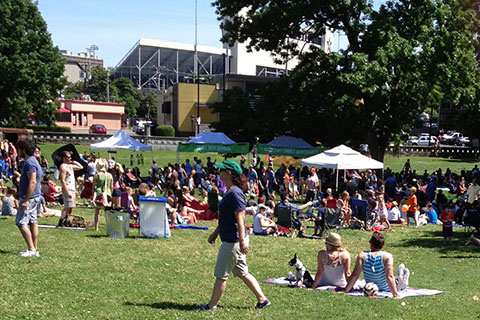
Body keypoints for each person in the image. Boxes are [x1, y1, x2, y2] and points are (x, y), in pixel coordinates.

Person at [196, 160, 270, 311]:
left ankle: (211, 306)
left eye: (221, 170)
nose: (219, 172)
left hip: (233, 242)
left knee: (221, 275)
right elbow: (226, 218)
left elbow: (240, 219)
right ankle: (262, 300)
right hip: (232, 239)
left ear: (228, 173)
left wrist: (242, 240)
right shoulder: (230, 192)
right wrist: (216, 233)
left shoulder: (235, 194)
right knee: (243, 273)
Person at [344, 232, 399, 298]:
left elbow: (355, 275)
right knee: (399, 282)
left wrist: (346, 290)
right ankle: (401, 275)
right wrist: (395, 295)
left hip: (370, 289)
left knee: (399, 279)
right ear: (382, 245)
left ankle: (401, 275)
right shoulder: (387, 257)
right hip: (386, 288)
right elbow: (389, 276)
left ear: (371, 243)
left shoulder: (362, 256)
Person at [15, 140, 43, 257]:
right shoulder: (34, 162)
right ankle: (34, 249)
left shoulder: (29, 163)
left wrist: (26, 200)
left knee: (21, 222)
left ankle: (31, 249)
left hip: (30, 198)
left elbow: (32, 181)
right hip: (34, 196)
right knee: (33, 222)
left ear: (23, 150)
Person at [58, 151, 83, 227]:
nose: (70, 158)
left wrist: (74, 161)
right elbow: (62, 180)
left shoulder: (70, 166)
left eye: (70, 157)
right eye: (68, 157)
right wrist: (67, 192)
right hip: (67, 188)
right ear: (64, 158)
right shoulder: (63, 167)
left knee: (71, 207)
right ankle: (61, 221)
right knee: (67, 206)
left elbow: (80, 167)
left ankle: (68, 221)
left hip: (72, 188)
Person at [92, 159, 113, 231]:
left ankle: (96, 227)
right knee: (108, 212)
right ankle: (110, 226)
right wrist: (111, 194)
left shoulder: (97, 175)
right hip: (108, 193)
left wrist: (93, 196)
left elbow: (93, 187)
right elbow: (111, 187)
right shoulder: (110, 175)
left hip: (99, 193)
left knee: (97, 211)